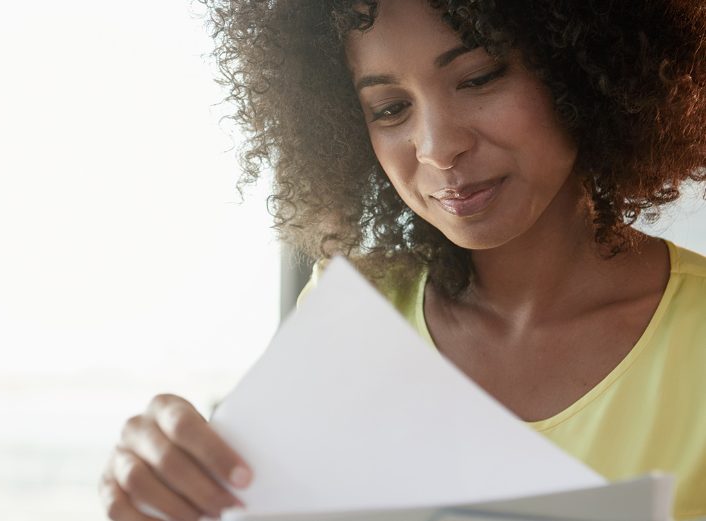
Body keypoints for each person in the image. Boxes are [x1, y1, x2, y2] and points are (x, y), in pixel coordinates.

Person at [99, 1, 706, 519]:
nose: (439, 147)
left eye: (479, 77)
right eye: (390, 109)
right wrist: (164, 484)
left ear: (580, 67)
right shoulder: (352, 313)